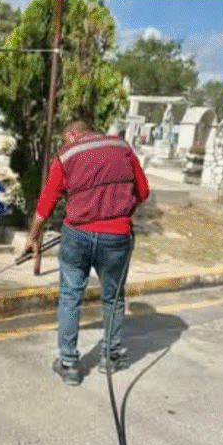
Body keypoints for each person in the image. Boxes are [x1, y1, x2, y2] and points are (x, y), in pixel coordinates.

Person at [23, 119, 150, 386]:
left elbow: (47, 202)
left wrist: (33, 237)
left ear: (72, 134)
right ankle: (110, 357)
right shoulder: (122, 147)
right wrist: (117, 206)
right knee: (113, 298)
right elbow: (142, 191)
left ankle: (69, 364)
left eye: (64, 140)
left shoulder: (67, 155)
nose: (65, 144)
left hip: (76, 236)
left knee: (70, 297)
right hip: (116, 236)